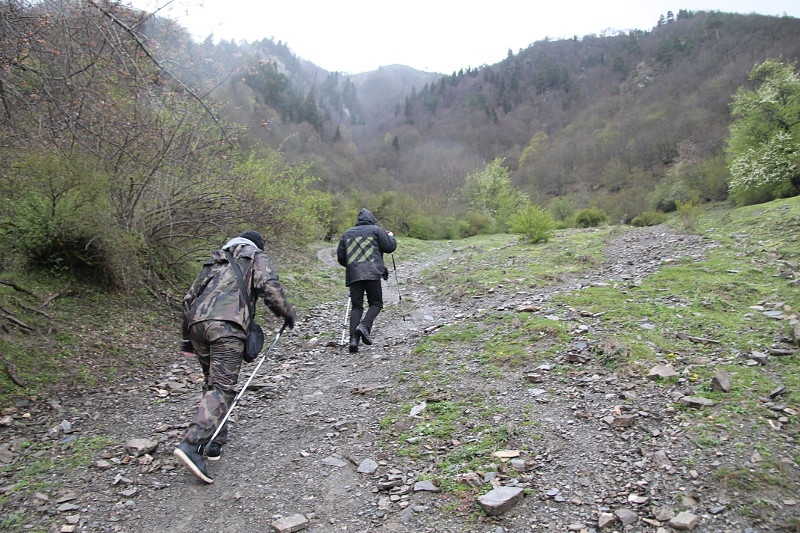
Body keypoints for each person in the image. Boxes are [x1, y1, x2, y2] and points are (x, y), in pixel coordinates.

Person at [174, 230, 296, 483]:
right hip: (227, 328)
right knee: (222, 387)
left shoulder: (215, 260)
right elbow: (269, 287)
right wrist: (287, 314)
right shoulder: (255, 256)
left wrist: (187, 336)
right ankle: (192, 443)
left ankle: (215, 441)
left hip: (197, 326)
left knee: (212, 383)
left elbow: (188, 298)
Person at [337, 208, 397, 353]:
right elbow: (389, 247)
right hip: (372, 273)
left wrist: (352, 266)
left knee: (357, 307)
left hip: (354, 274)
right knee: (376, 303)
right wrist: (391, 237)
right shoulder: (376, 230)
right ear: (371, 219)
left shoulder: (347, 234)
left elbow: (341, 257)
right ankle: (364, 326)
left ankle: (353, 340)